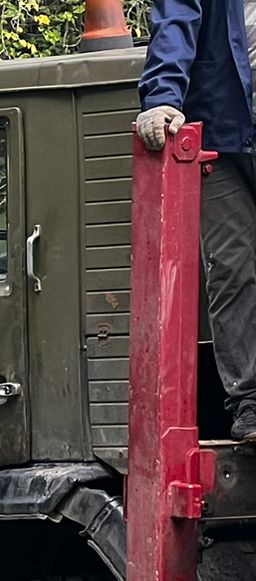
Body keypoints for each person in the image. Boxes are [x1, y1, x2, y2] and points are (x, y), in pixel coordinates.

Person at [137, 0, 256, 440]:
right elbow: (175, 21)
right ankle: (252, 403)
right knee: (230, 267)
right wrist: (162, 98)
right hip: (225, 129)